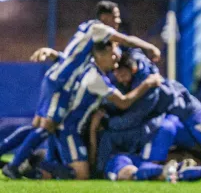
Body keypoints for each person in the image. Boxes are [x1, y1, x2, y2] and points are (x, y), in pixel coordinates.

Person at [2, 1, 161, 179]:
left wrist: (54, 54)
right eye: (115, 17)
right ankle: (16, 166)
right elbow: (126, 40)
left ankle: (19, 161)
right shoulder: (97, 30)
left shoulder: (87, 37)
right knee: (46, 128)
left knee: (38, 125)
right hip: (62, 85)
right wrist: (150, 47)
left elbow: (71, 57)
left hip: (56, 78)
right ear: (105, 17)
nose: (118, 22)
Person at [26, 41, 162, 180]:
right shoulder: (95, 77)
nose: (115, 58)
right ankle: (29, 163)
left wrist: (53, 54)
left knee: (62, 165)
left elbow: (68, 62)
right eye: (113, 55)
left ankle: (29, 165)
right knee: (81, 173)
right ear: (102, 55)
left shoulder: (96, 73)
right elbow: (123, 102)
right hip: (69, 128)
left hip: (70, 126)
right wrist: (147, 84)